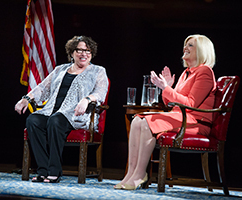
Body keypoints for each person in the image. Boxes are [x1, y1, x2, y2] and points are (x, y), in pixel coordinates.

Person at [115, 34, 216, 190]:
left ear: (202, 50)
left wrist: (166, 88)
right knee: (137, 120)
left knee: (148, 122)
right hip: (182, 117)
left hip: (196, 122)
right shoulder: (186, 73)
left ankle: (140, 174)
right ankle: (131, 173)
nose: (185, 48)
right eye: (185, 44)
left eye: (190, 45)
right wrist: (168, 86)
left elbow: (190, 104)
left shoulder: (205, 72)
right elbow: (172, 103)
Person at [15, 36, 108, 183]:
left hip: (76, 115)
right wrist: (26, 99)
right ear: (72, 53)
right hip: (51, 111)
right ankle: (43, 170)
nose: (84, 54)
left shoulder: (98, 71)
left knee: (55, 121)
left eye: (87, 51)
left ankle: (54, 171)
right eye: (80, 50)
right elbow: (43, 88)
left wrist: (87, 99)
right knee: (33, 120)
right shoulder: (60, 69)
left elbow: (101, 92)